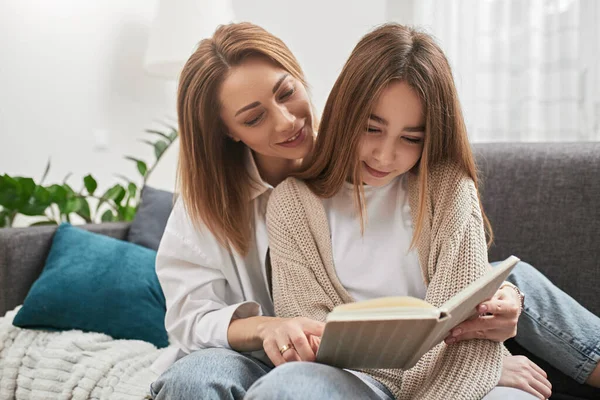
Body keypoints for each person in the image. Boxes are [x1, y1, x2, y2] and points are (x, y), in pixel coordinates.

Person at [149, 22, 599, 400]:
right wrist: (269, 326)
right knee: (203, 380)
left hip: (399, 350)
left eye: (286, 93)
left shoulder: (416, 176)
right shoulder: (233, 203)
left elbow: (455, 295)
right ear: (227, 131)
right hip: (284, 357)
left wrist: (485, 348)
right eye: (254, 118)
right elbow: (191, 317)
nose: (286, 121)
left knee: (510, 279)